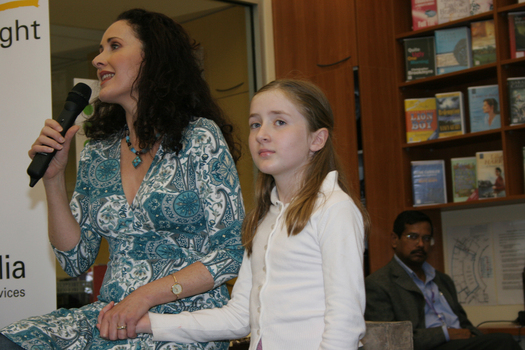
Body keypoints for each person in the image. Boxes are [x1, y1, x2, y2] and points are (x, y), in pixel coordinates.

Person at [0, 8, 244, 350]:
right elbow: (76, 260)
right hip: (109, 318)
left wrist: (144, 296)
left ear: (152, 57)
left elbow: (228, 255)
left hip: (182, 322)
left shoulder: (200, 137)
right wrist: (53, 182)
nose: (99, 59)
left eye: (114, 46)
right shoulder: (98, 150)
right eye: (100, 50)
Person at [100, 79, 370, 349]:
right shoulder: (264, 219)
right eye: (256, 124)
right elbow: (240, 317)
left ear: (317, 139)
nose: (262, 134)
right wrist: (147, 323)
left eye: (279, 122)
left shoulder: (334, 208)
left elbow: (345, 321)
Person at [364, 210, 521, 350]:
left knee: (500, 341)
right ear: (394, 239)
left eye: (426, 238)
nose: (420, 244)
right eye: (413, 237)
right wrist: (446, 334)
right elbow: (387, 341)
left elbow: (464, 324)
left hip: (460, 344)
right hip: (430, 347)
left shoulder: (442, 280)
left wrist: (471, 334)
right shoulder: (378, 284)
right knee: (504, 342)